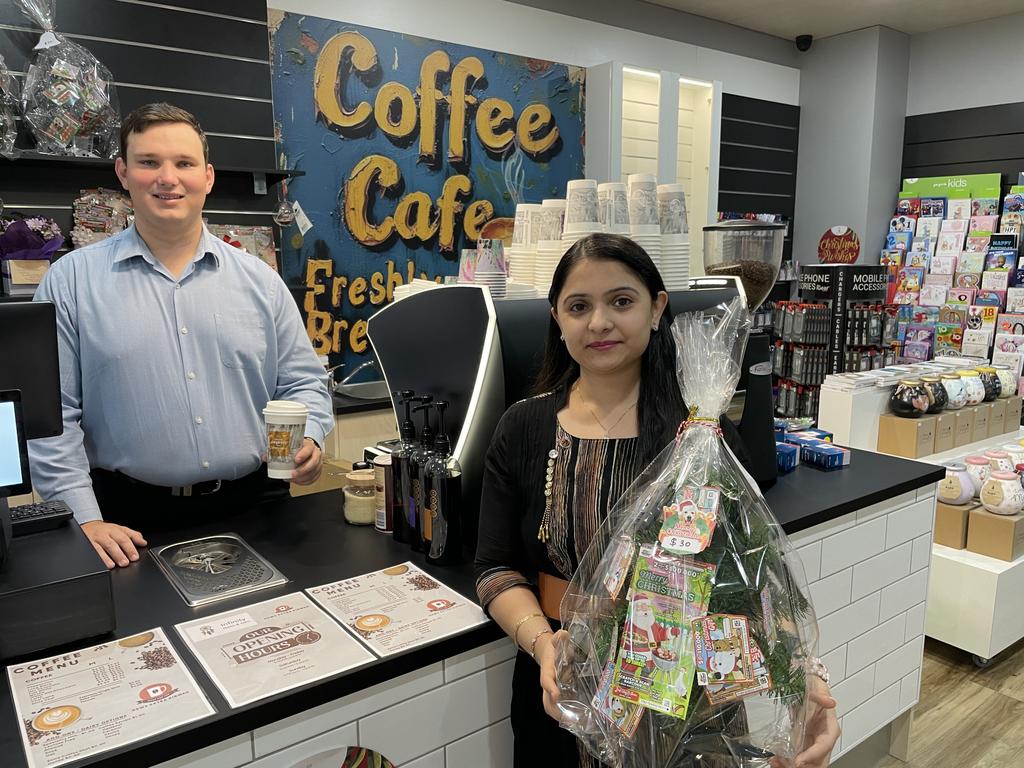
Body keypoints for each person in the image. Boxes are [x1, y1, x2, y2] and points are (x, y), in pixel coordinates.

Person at [474, 233, 839, 768]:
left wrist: (805, 682)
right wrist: (541, 643)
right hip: (562, 686)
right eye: (579, 306)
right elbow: (495, 568)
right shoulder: (523, 428)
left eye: (621, 301)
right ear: (557, 317)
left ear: (657, 308)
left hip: (690, 699)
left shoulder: (700, 435)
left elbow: (759, 575)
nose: (599, 322)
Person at [28, 103, 333, 569]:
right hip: (126, 524)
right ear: (123, 173)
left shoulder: (261, 281)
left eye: (184, 164)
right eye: (149, 162)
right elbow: (51, 418)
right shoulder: (68, 282)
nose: (167, 178)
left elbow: (303, 383)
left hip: (261, 508)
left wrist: (309, 436)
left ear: (207, 177)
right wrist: (84, 519)